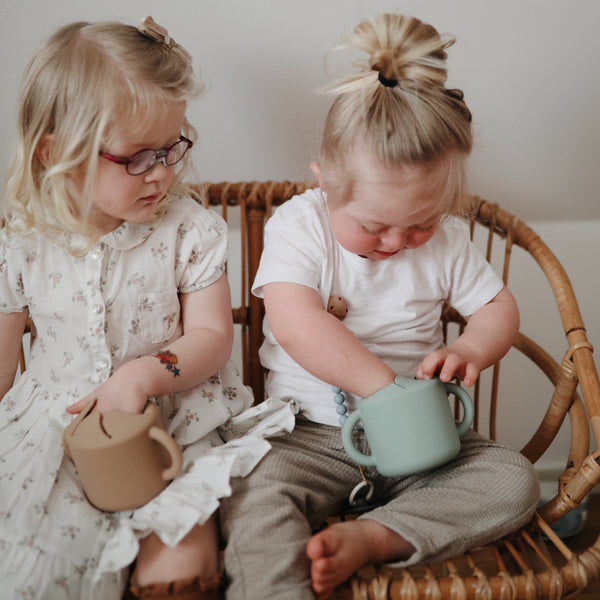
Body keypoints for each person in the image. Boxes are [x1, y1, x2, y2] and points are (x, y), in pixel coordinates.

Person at [220, 13, 540, 600]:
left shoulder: (448, 240)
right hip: (308, 435)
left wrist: (471, 347)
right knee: (251, 490)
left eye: (419, 224)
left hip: (424, 441)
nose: (396, 244)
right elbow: (294, 321)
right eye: (374, 226)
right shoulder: (300, 226)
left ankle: (380, 534)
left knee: (511, 479)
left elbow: (497, 305)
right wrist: (379, 387)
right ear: (325, 181)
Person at [0, 16, 295, 600]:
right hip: (57, 433)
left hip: (174, 427)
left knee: (181, 571)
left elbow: (213, 338)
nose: (161, 173)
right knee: (36, 565)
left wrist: (142, 375)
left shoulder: (190, 231)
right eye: (137, 157)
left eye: (171, 148)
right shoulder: (23, 241)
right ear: (56, 152)